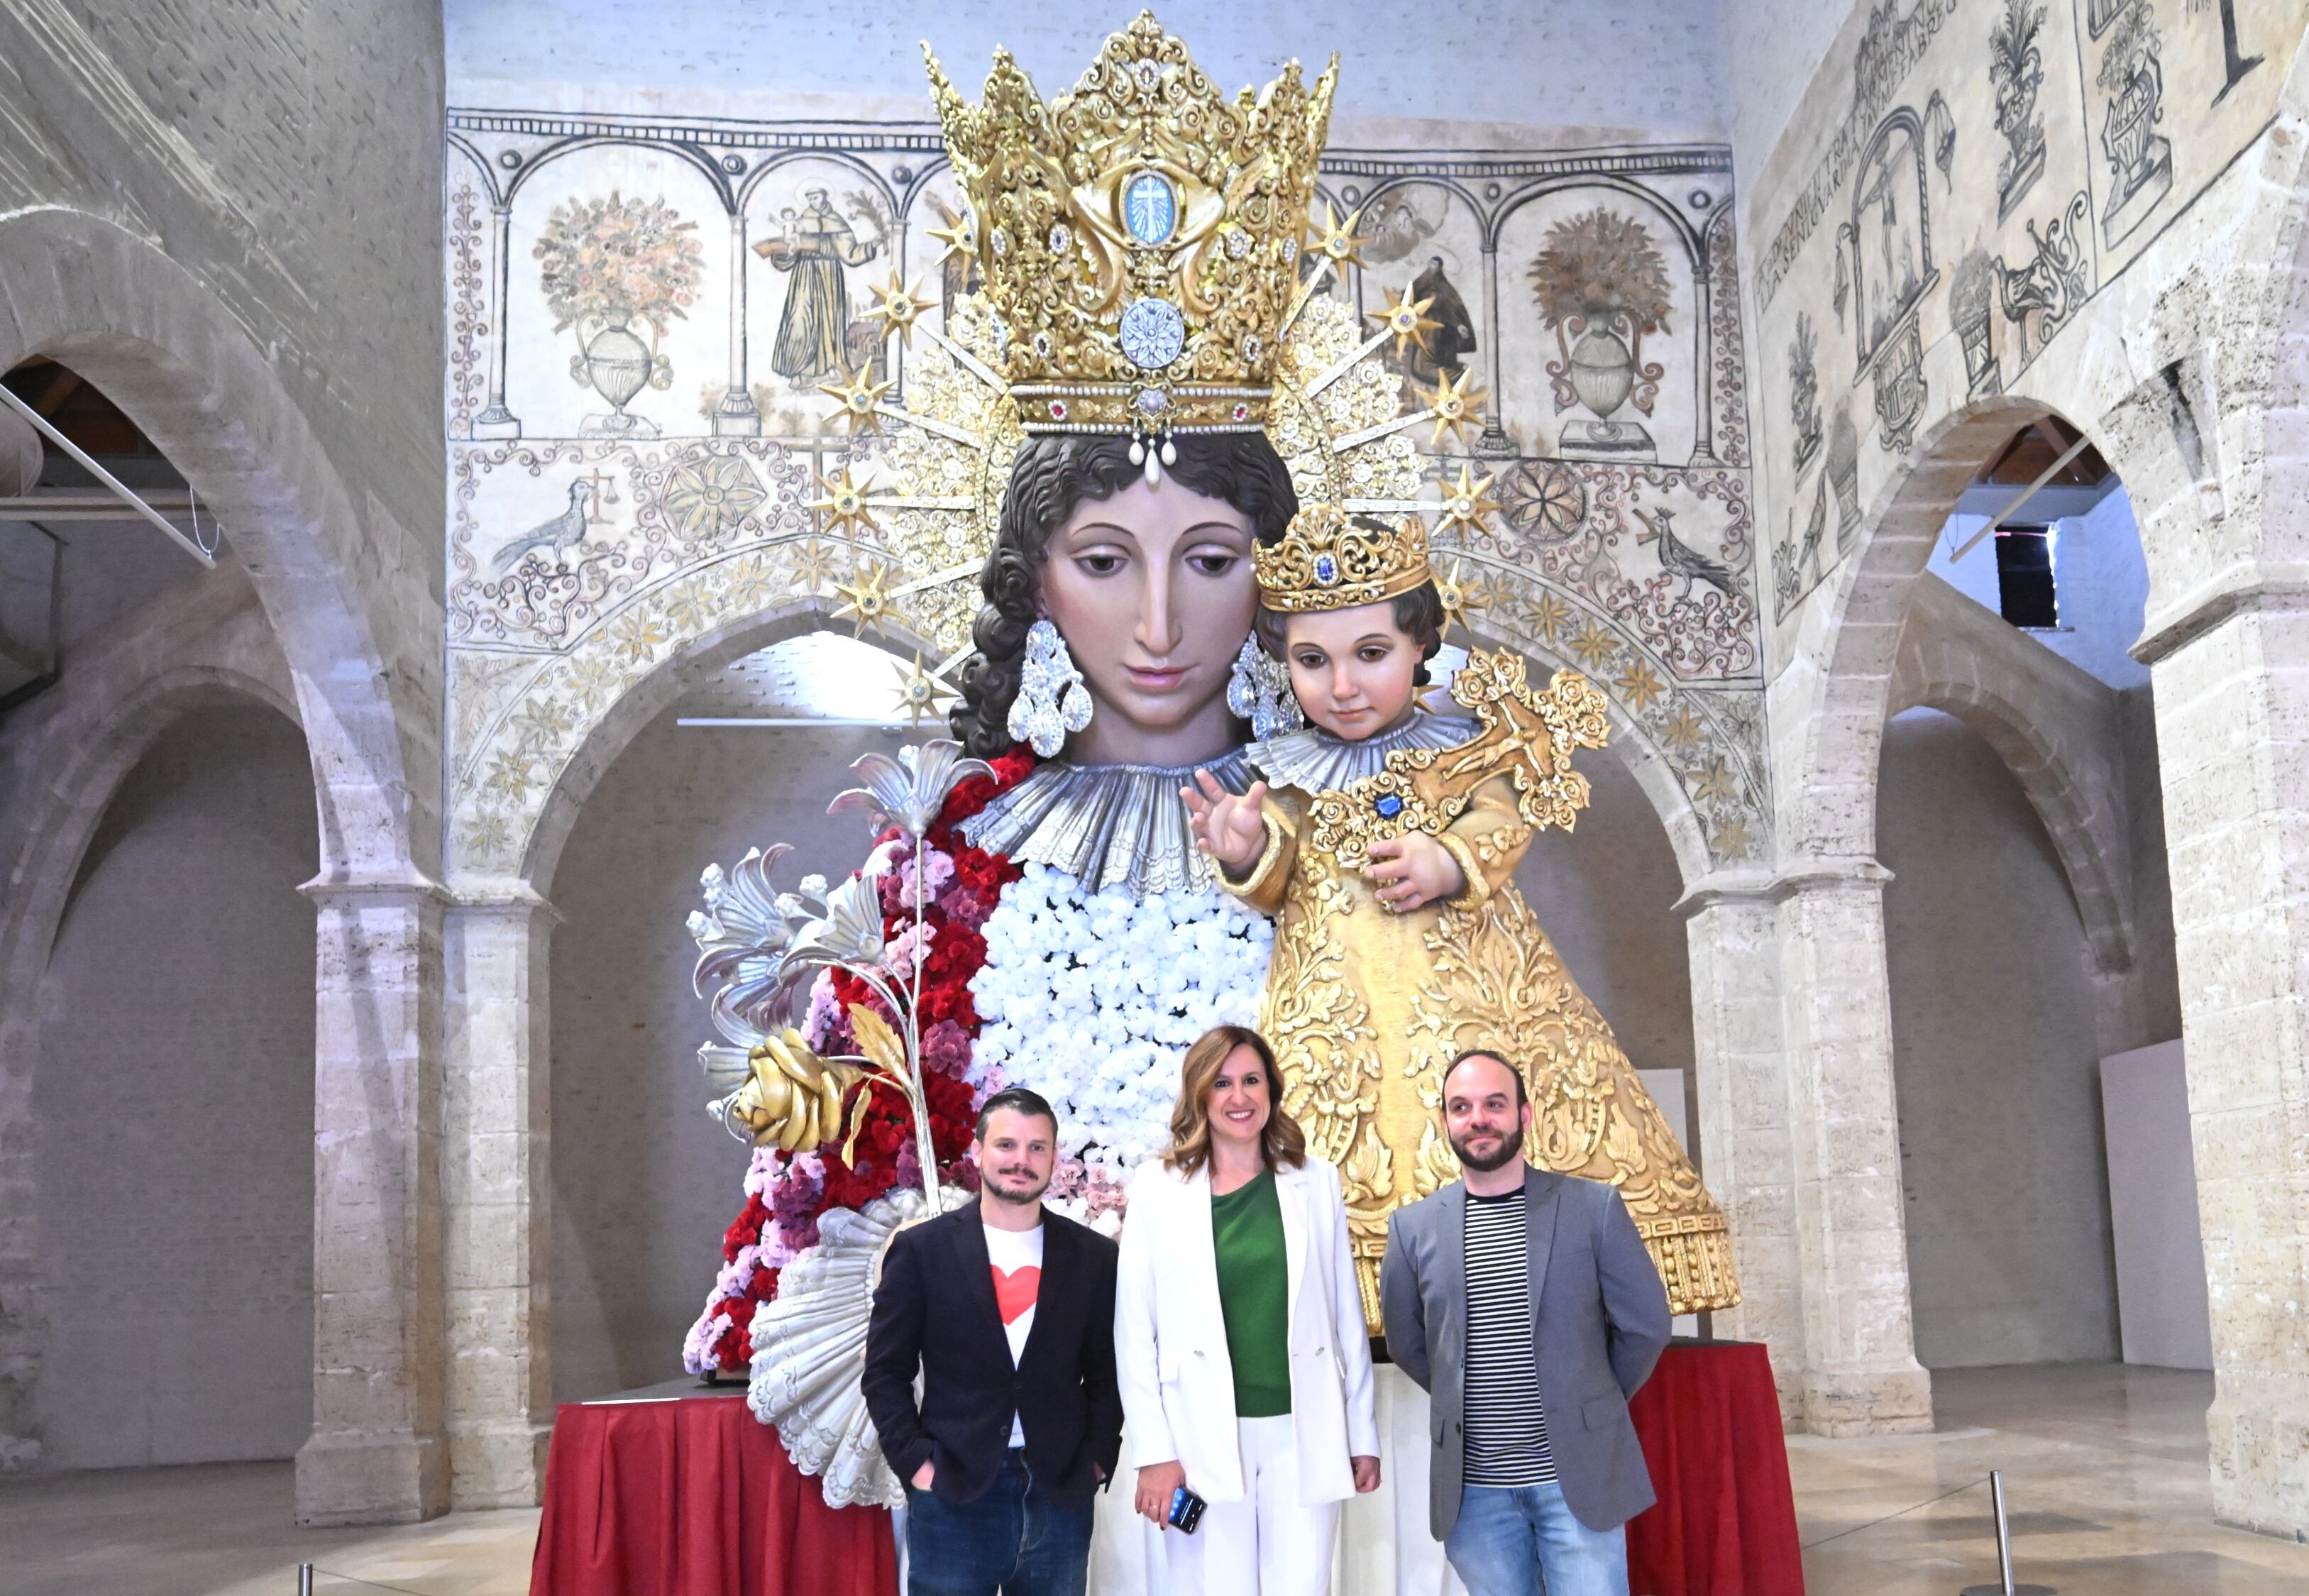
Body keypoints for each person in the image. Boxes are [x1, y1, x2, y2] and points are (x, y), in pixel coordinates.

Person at [1181, 502, 1738, 1328]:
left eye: (1369, 654)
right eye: (1311, 660)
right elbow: (1281, 870)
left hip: (1472, 997)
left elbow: (1498, 819)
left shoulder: (1466, 745)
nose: (1340, 685)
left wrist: (1448, 859)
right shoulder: (1286, 771)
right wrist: (1241, 849)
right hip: (1334, 1016)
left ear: (1417, 648)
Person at [1380, 1050, 1672, 1596]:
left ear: (1525, 1115)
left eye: (1495, 1103)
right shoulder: (1412, 1229)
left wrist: (1592, 1396)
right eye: (1461, 1107)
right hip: (1474, 1495)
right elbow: (1409, 1343)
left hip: (1576, 1479)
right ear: (1445, 1122)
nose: (1479, 1118)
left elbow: (1647, 1326)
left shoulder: (1593, 1208)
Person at [1115, 1025, 1380, 1596]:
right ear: (1201, 1095)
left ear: (1272, 1091)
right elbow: (1134, 1333)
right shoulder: (1158, 1188)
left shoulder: (1316, 1180)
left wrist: (1362, 1433)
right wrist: (1155, 1453)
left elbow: (1344, 1319)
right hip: (1196, 1439)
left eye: (1252, 1080)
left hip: (1303, 1433)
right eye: (1223, 1082)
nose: (1240, 1096)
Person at [862, 1088, 1123, 1596]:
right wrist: (917, 1465)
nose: (1021, 1160)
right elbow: (885, 1372)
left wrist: (1095, 1457)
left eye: (1037, 1148)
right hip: (953, 1493)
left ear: (1053, 1158)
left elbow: (1109, 1373)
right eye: (1007, 1144)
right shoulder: (920, 1251)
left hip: (1059, 1495)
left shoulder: (1092, 1257)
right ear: (977, 1152)